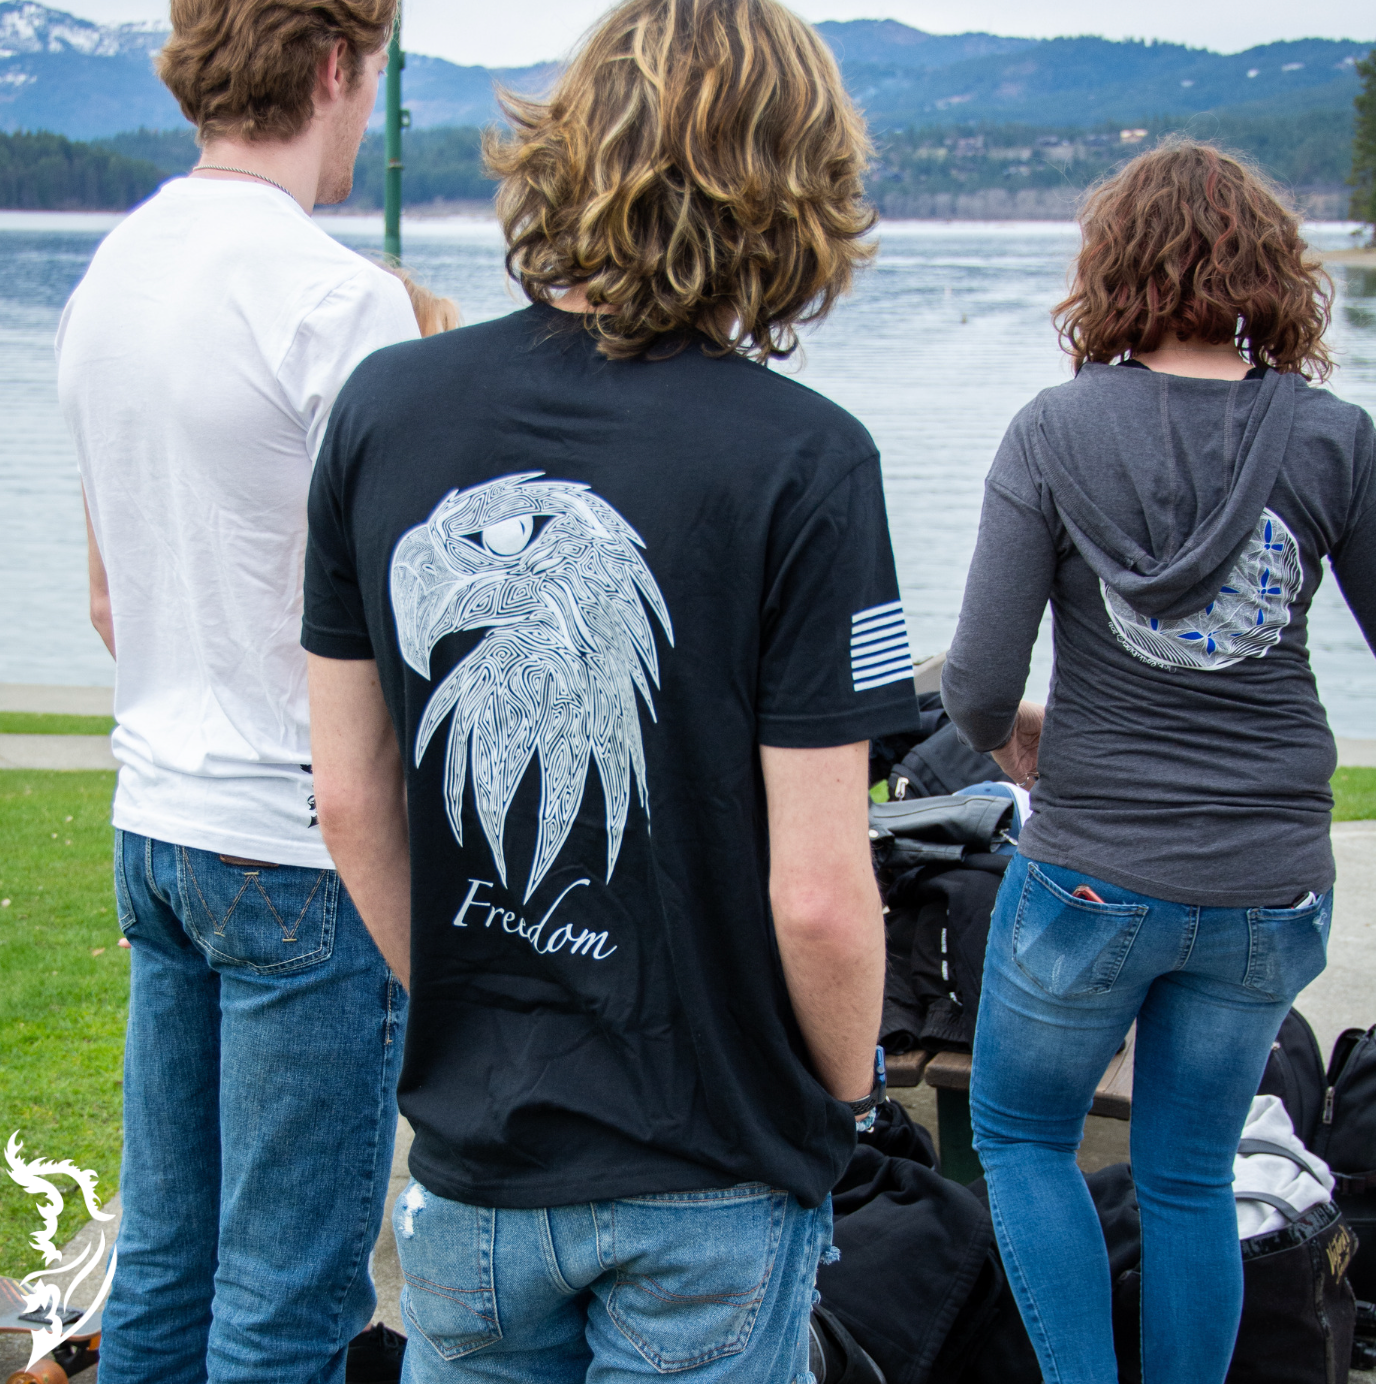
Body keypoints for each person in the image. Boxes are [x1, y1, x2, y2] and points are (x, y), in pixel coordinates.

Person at [301, 0, 918, 1377]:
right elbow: (819, 891)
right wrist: (840, 1108)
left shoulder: (384, 409)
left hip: (477, 1164)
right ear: (790, 183)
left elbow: (350, 802)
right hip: (717, 1156)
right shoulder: (806, 460)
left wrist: (481, 999)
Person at [941, 138, 1376, 1384]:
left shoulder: (1050, 432)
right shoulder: (1333, 440)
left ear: (1108, 270)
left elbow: (971, 683)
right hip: (1269, 879)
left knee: (1023, 1138)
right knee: (1191, 1171)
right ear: (1268, 269)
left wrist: (1018, 741)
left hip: (1092, 870)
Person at [55, 1, 419, 1379]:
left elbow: (107, 596)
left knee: (165, 1261)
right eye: (372, 78)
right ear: (336, 65)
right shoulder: (341, 296)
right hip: (300, 844)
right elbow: (406, 625)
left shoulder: (114, 272)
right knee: (288, 1294)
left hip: (156, 816)